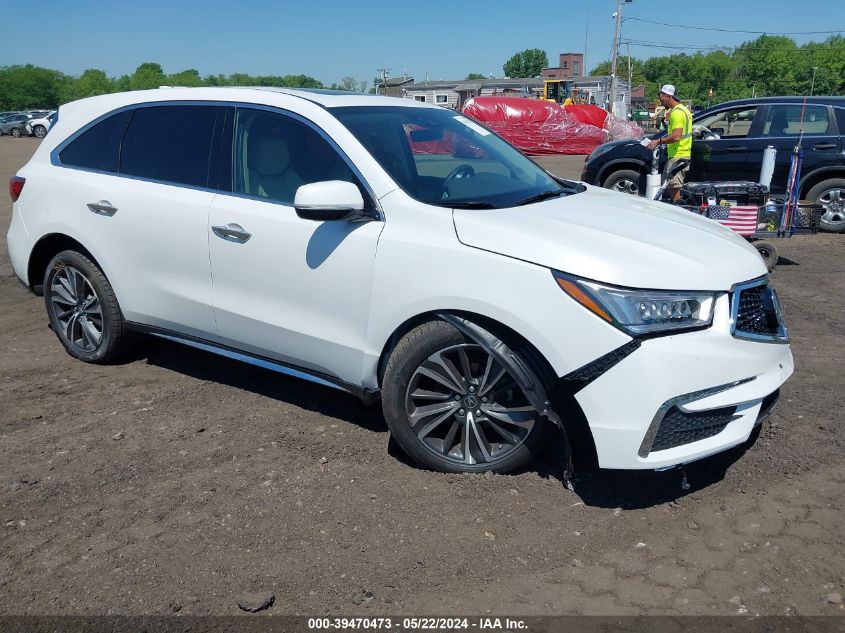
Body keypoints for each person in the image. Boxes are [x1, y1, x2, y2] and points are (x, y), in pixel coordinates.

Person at [647, 84, 692, 202]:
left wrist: (658, 141)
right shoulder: (684, 110)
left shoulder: (677, 113)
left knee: (673, 187)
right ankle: (679, 206)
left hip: (678, 155)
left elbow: (676, 136)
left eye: (662, 99)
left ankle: (680, 210)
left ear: (668, 96)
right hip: (681, 154)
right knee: (672, 186)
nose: (661, 102)